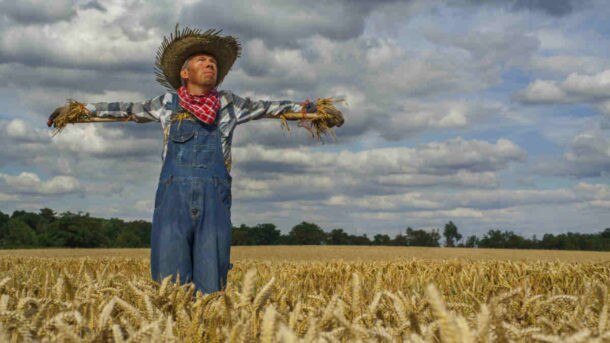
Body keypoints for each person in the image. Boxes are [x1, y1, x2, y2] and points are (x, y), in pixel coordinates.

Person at [46, 26, 323, 295]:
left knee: (212, 285)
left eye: (213, 61)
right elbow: (126, 110)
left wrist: (309, 110)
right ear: (184, 72)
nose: (209, 64)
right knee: (170, 285)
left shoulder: (230, 104)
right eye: (201, 60)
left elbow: (270, 108)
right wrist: (77, 111)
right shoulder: (165, 104)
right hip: (172, 201)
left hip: (214, 200)